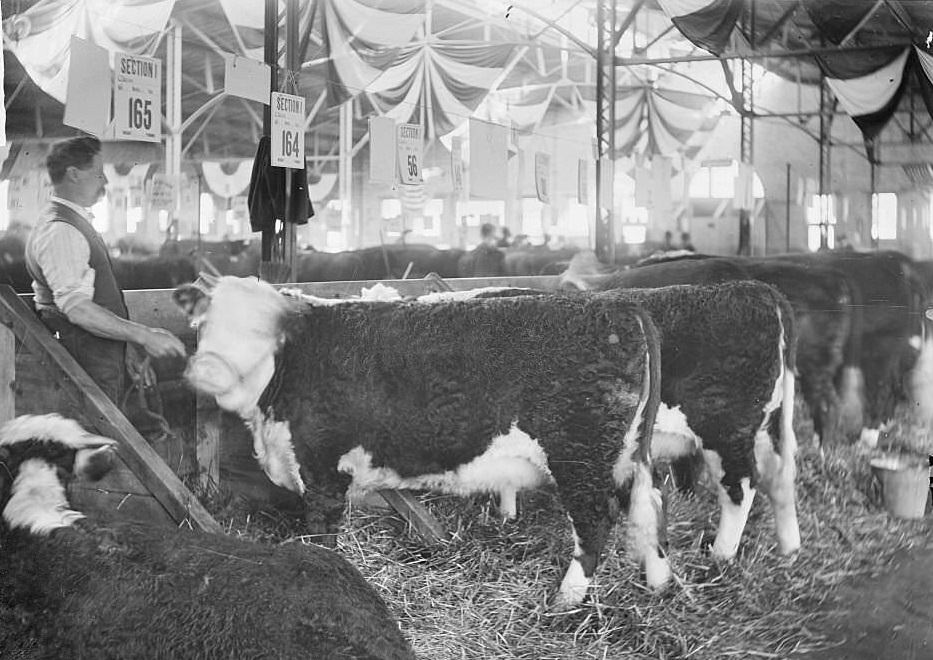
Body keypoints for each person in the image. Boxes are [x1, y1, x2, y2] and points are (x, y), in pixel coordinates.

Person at [25, 136, 186, 409]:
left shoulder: (70, 222)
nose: (105, 182)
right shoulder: (62, 231)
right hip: (83, 369)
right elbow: (78, 309)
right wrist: (144, 335)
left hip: (95, 361)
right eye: (99, 173)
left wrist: (126, 349)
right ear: (74, 174)